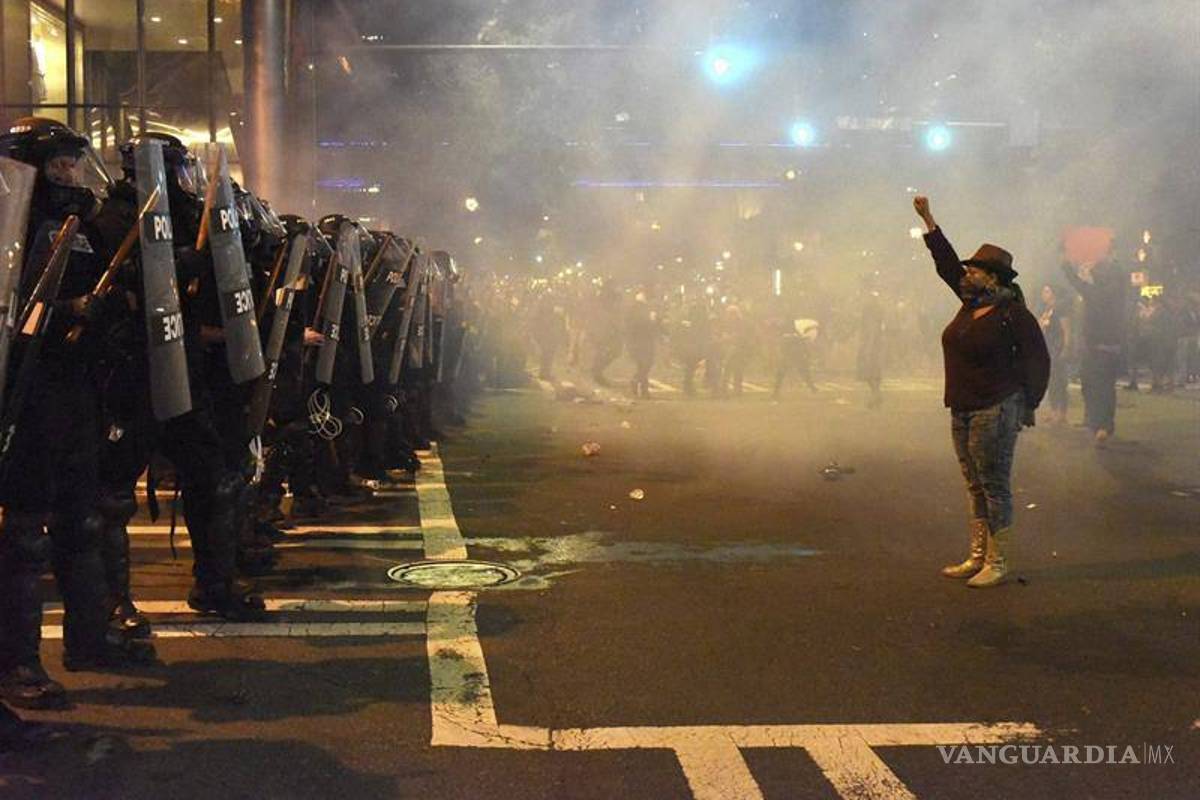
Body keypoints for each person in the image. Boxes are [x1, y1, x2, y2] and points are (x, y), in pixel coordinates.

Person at [914, 196, 1049, 588]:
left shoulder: (1012, 314)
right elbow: (946, 265)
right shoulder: (969, 304)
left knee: (994, 485)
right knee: (974, 483)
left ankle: (997, 560)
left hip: (997, 407)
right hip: (963, 405)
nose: (966, 273)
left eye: (974, 269)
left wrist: (1028, 404)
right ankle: (977, 557)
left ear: (992, 278)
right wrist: (929, 221)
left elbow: (1038, 360)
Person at [1060, 248, 1126, 442]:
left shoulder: (1108, 290)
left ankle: (1104, 425)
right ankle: (1094, 420)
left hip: (1106, 344)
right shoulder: (1095, 291)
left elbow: (1082, 285)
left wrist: (1070, 268)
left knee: (1104, 386)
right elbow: (1081, 285)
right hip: (1091, 345)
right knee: (1088, 384)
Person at [1037, 284, 1072, 424]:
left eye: (1047, 291)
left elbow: (1066, 329)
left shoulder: (1060, 309)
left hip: (1057, 347)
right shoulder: (1046, 309)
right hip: (1048, 347)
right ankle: (1053, 410)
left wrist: (1066, 347)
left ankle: (1061, 412)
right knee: (1051, 380)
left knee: (1059, 380)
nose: (1043, 294)